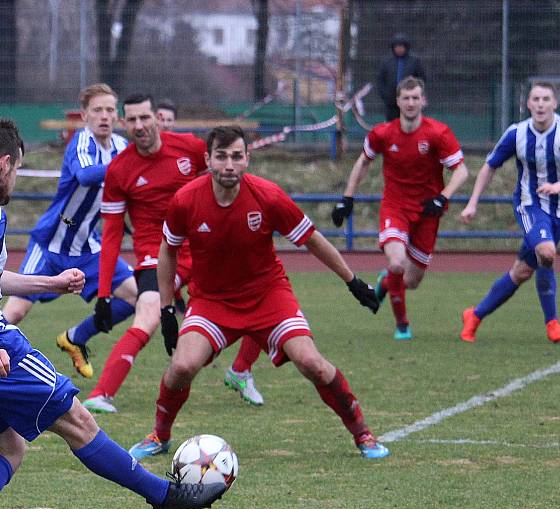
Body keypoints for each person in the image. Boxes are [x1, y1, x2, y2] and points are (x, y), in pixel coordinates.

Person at [0, 117, 226, 509]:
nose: (14, 179)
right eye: (16, 170)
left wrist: (50, 283)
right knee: (78, 422)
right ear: (4, 163)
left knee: (9, 446)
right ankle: (165, 498)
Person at [127, 125, 389, 461]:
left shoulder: (269, 196)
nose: (229, 165)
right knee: (181, 367)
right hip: (212, 302)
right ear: (207, 159)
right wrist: (166, 309)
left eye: (237, 156)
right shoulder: (186, 200)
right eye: (221, 157)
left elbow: (312, 239)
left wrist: (352, 281)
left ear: (247, 159)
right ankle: (159, 435)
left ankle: (363, 434)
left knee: (313, 364)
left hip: (269, 296)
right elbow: (168, 250)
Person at [86, 94, 264, 413]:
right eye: (132, 120)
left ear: (158, 118)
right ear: (124, 124)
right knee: (149, 310)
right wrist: (103, 294)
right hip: (157, 256)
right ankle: (101, 394)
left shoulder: (190, 148)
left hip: (204, 248)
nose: (139, 126)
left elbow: (227, 175)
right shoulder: (120, 169)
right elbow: (111, 234)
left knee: (262, 294)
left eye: (145, 118)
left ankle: (240, 370)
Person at [1, 83, 136, 379]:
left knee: (135, 296)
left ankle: (75, 338)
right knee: (14, 313)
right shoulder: (81, 142)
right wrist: (130, 165)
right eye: (97, 110)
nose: (104, 116)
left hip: (88, 246)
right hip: (52, 243)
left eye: (110, 110)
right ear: (85, 115)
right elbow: (87, 176)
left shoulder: (122, 147)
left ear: (118, 116)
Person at [154, 97, 267, 406]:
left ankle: (241, 369)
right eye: (156, 119)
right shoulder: (139, 159)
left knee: (264, 301)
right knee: (155, 323)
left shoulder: (188, 148)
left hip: (212, 247)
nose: (161, 124)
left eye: (167, 119)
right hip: (177, 252)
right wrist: (166, 309)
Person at [459, 82, 560, 343]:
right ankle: (552, 323)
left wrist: (557, 186)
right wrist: (472, 202)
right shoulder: (516, 134)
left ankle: (475, 315)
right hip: (530, 204)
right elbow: (488, 167)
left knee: (521, 271)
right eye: (536, 99)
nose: (540, 104)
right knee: (546, 252)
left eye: (546, 99)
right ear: (528, 104)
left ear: (555, 104)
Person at [339, 76, 468, 340]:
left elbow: (461, 171)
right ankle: (402, 326)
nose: (410, 103)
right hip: (395, 207)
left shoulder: (437, 133)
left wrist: (442, 198)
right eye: (406, 98)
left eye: (415, 98)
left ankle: (385, 283)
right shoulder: (383, 134)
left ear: (423, 100)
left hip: (427, 211)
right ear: (398, 101)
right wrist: (348, 198)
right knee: (397, 262)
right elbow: (363, 162)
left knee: (411, 281)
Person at [377, 33, 426, 122]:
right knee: (392, 126)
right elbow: (380, 81)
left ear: (406, 47)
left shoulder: (414, 61)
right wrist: (386, 96)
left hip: (409, 101)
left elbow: (421, 80)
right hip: (391, 102)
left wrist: (415, 95)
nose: (399, 49)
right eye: (396, 46)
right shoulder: (386, 62)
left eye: (401, 46)